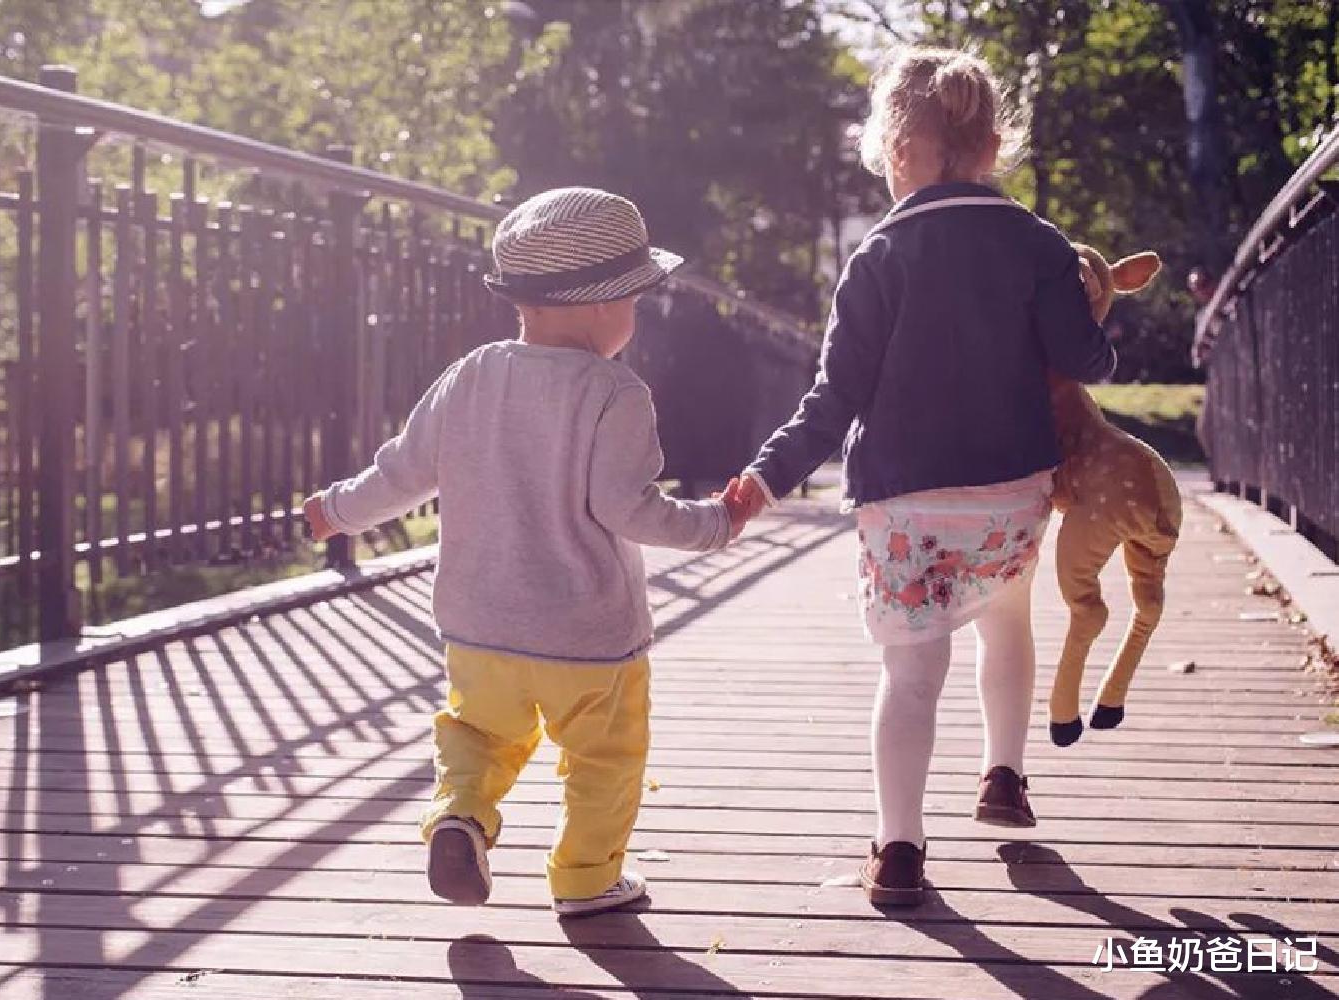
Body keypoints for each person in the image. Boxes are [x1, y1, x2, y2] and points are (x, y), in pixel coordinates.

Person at [733, 46, 1116, 906]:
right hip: (1010, 493)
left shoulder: (878, 256)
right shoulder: (1039, 244)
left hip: (905, 503)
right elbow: (1086, 361)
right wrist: (1092, 306)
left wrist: (765, 477)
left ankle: (899, 848)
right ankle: (1004, 775)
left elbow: (834, 399)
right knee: (1006, 619)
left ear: (901, 150)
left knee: (911, 675)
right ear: (993, 148)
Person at [304, 186, 750, 917]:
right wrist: (717, 523)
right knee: (603, 759)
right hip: (590, 638)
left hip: (479, 626)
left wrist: (336, 510)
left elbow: (402, 474)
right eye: (634, 301)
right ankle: (586, 878)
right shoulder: (616, 392)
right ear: (603, 306)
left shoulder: (470, 375)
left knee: (478, 735)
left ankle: (460, 816)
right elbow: (628, 509)